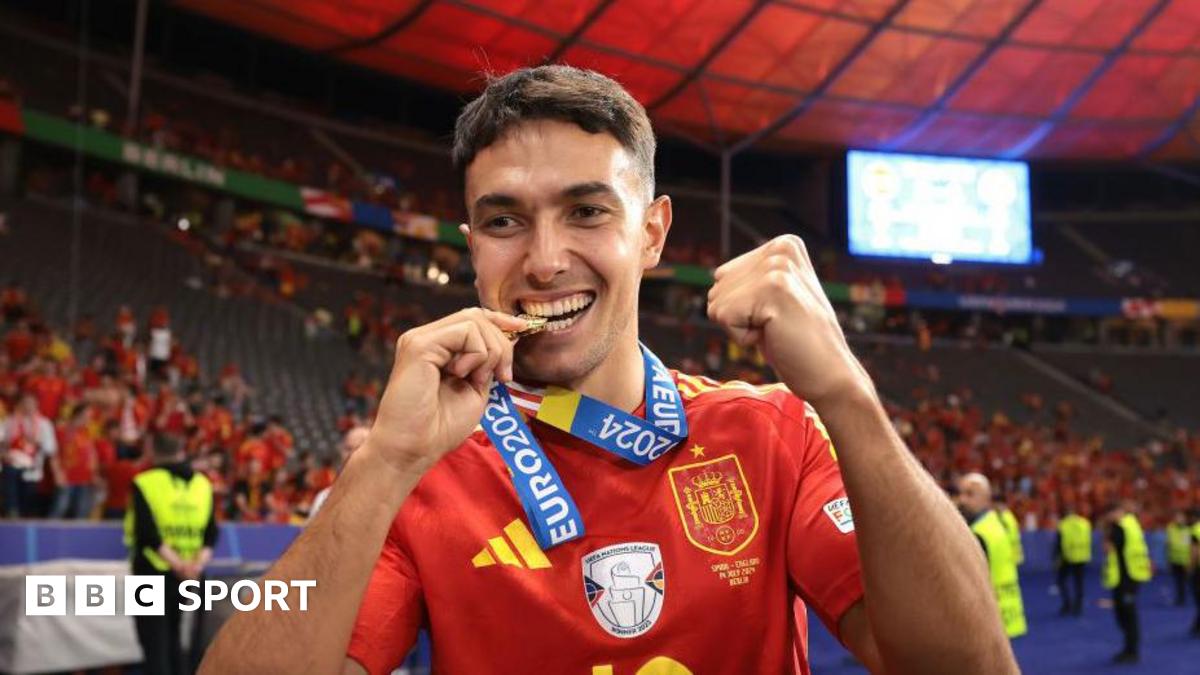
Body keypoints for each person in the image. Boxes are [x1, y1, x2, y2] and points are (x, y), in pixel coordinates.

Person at [200, 65, 1014, 674]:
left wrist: (848, 394)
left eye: (587, 211)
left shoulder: (773, 432)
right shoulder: (420, 473)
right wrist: (381, 463)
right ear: (472, 248)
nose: (545, 260)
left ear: (652, 233)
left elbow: (967, 666)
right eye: (505, 221)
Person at [124, 432, 217, 675]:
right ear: (181, 451)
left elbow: (147, 535)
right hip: (190, 575)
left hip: (151, 571)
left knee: (154, 643)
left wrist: (178, 565)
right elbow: (211, 534)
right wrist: (193, 567)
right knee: (176, 641)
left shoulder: (146, 482)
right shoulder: (202, 484)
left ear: (152, 452)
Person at [956, 473, 1027, 638]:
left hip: (987, 619)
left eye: (970, 494)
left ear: (986, 499)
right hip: (1006, 611)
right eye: (960, 493)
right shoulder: (996, 523)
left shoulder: (978, 533)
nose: (962, 500)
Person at [1102, 500, 1151, 664]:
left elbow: (1108, 549)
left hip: (1125, 578)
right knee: (1126, 614)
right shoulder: (1133, 524)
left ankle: (1132, 651)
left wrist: (1106, 531)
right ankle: (1130, 648)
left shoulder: (1119, 528)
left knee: (1127, 615)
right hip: (1132, 575)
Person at [2, 394, 57, 517]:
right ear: (19, 405)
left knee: (29, 493)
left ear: (36, 405)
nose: (27, 406)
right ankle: (12, 511)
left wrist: (37, 442)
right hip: (11, 462)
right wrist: (4, 451)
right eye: (25, 403)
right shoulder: (9, 421)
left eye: (31, 403)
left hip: (33, 463)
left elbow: (51, 448)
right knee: (10, 478)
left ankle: (26, 515)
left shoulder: (44, 423)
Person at [307, 425, 368, 521]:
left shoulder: (388, 498)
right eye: (348, 448)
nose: (351, 454)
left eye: (359, 448)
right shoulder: (324, 497)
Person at [1055, 504, 1092, 616]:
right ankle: (1078, 607)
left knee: (1061, 580)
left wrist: (1057, 558)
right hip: (1082, 556)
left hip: (1068, 557)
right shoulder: (1085, 523)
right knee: (1079, 582)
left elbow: (1059, 543)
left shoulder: (1063, 524)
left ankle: (1067, 604)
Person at [1166, 511, 1191, 606]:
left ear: (1185, 519)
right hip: (1174, 559)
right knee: (1178, 581)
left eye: (1181, 517)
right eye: (1177, 517)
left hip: (1187, 560)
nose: (1179, 519)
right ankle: (1181, 599)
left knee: (1190, 581)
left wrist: (1191, 560)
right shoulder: (1170, 528)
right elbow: (1168, 544)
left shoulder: (1189, 529)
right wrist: (1168, 559)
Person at [994, 493, 1024, 567]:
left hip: (1007, 556)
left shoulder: (1004, 517)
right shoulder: (1010, 517)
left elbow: (1013, 538)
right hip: (1009, 556)